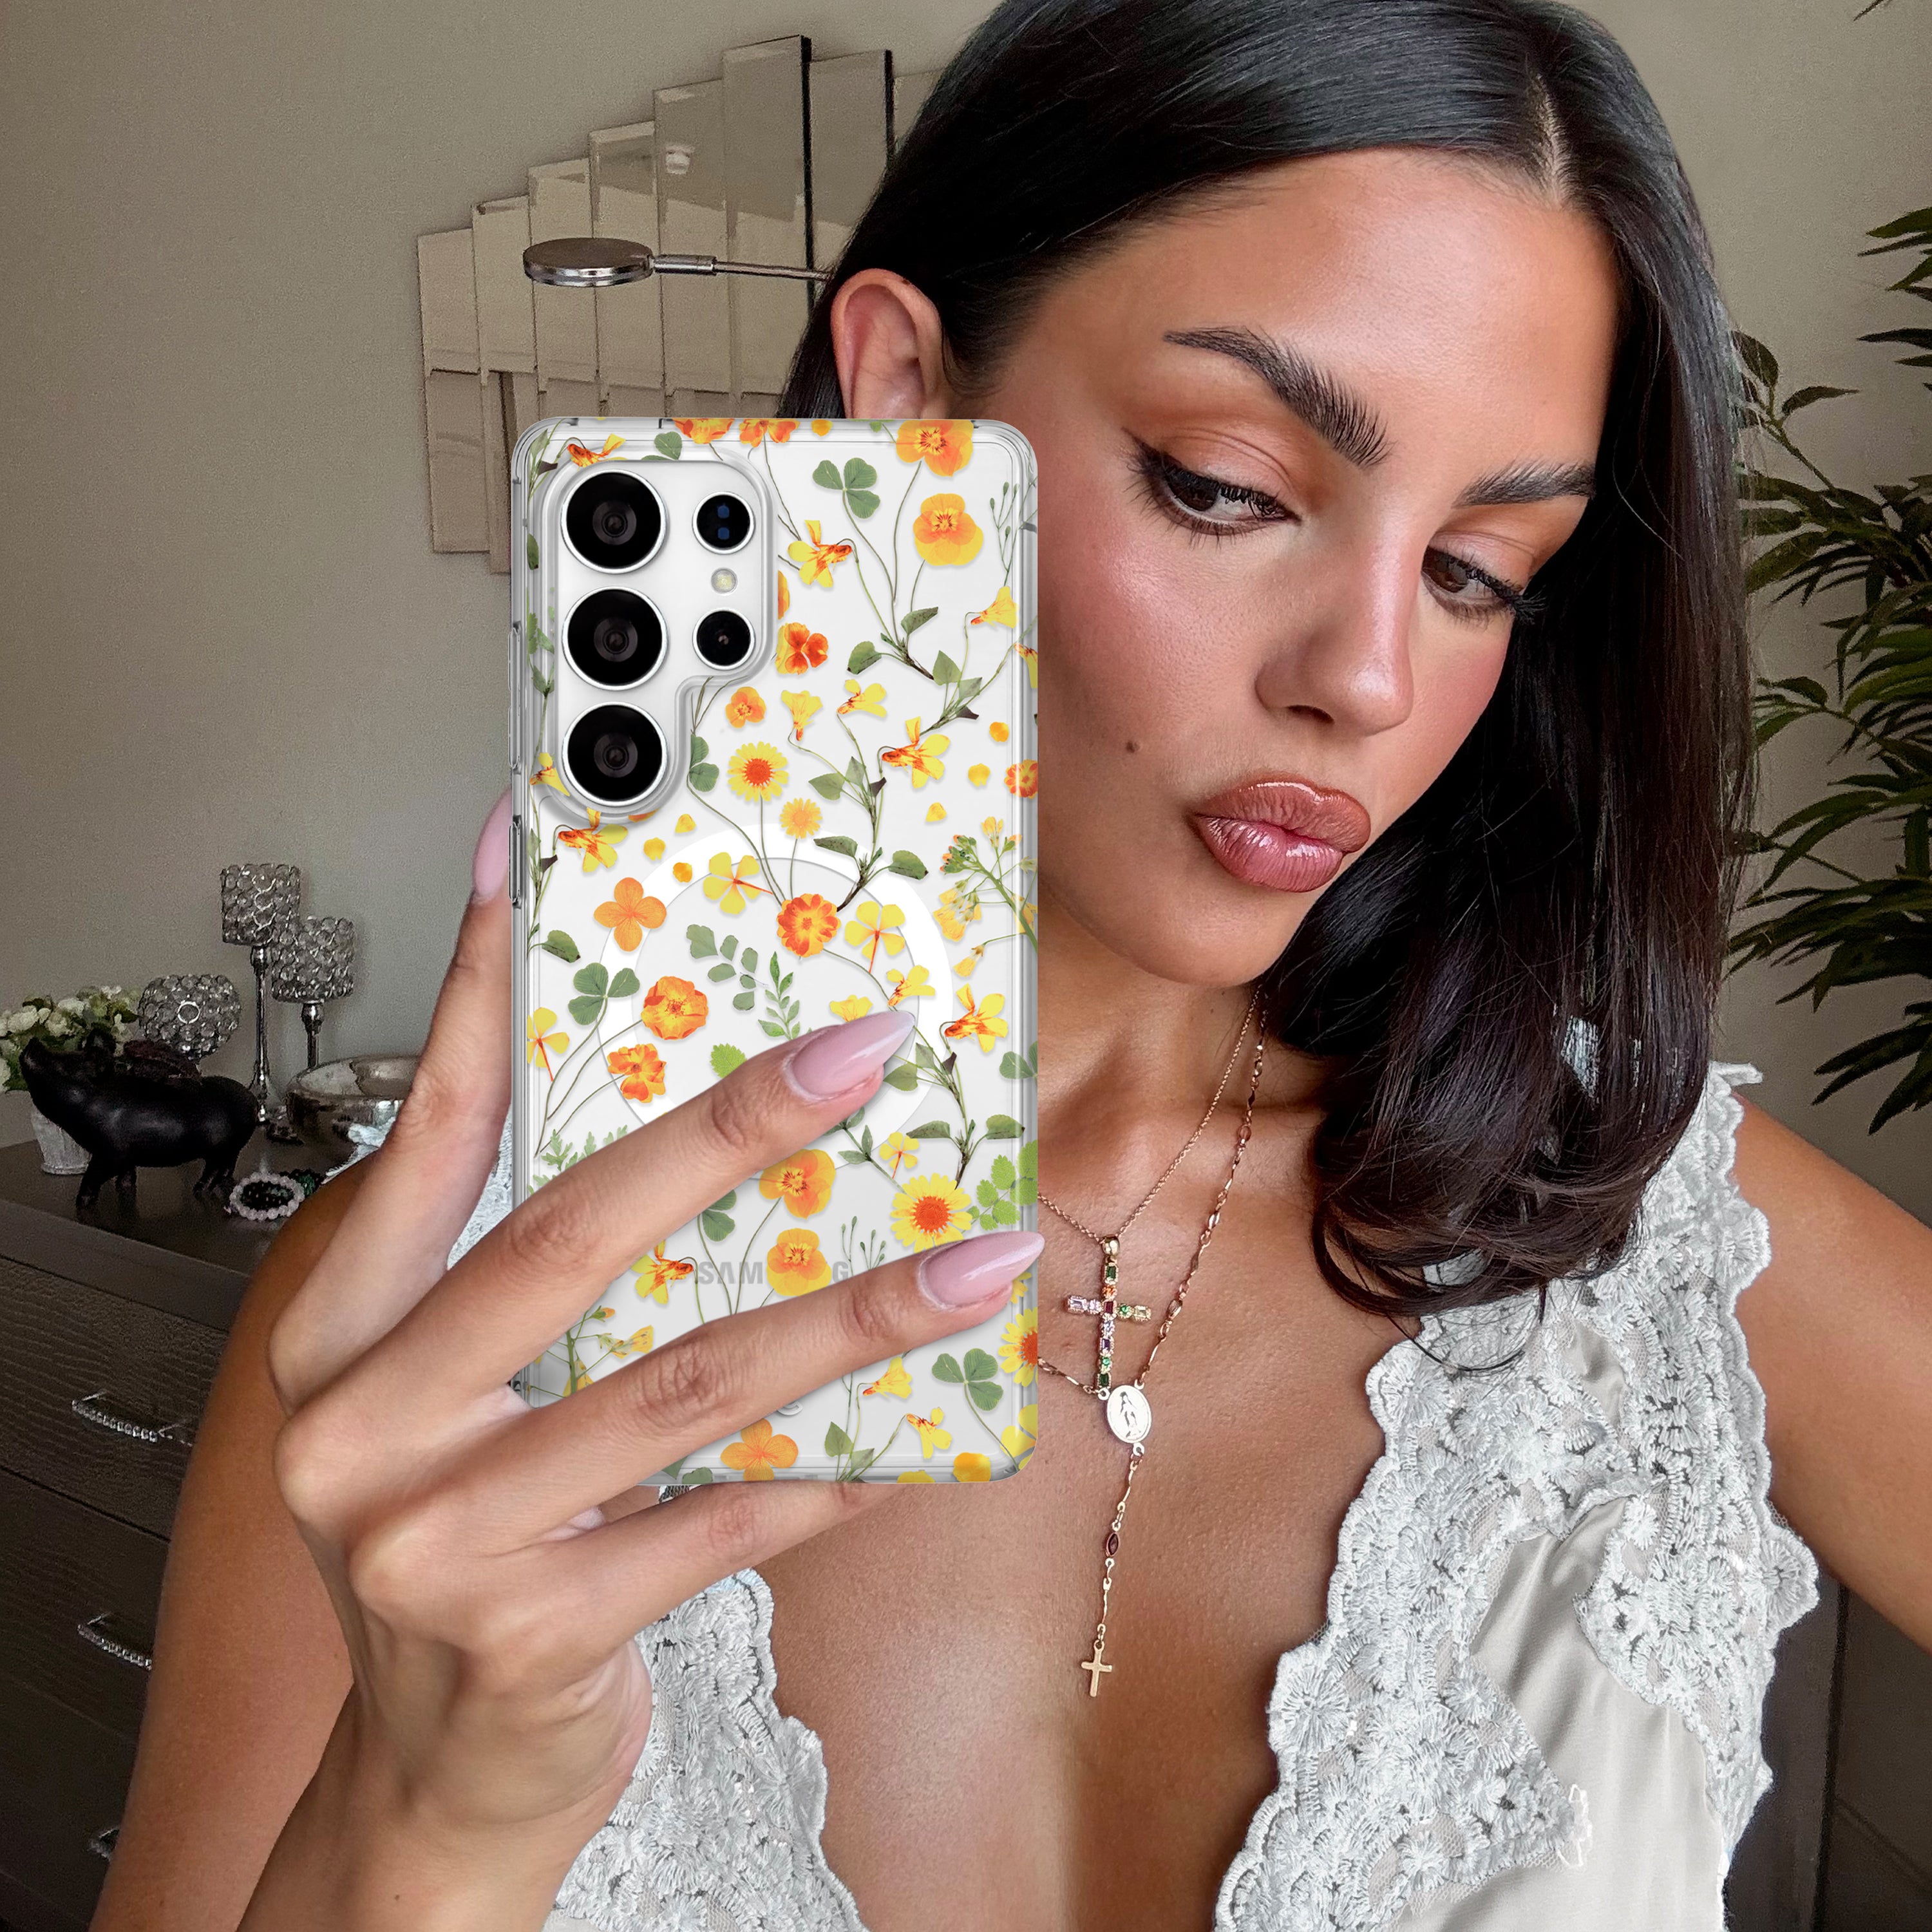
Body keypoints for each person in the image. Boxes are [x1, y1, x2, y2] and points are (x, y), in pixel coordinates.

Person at [90, 1, 1932, 1927]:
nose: (1370, 680)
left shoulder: (1647, 1227)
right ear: (904, 393)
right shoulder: (424, 1352)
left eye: (1477, 571)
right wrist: (430, 1825)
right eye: (1224, 484)